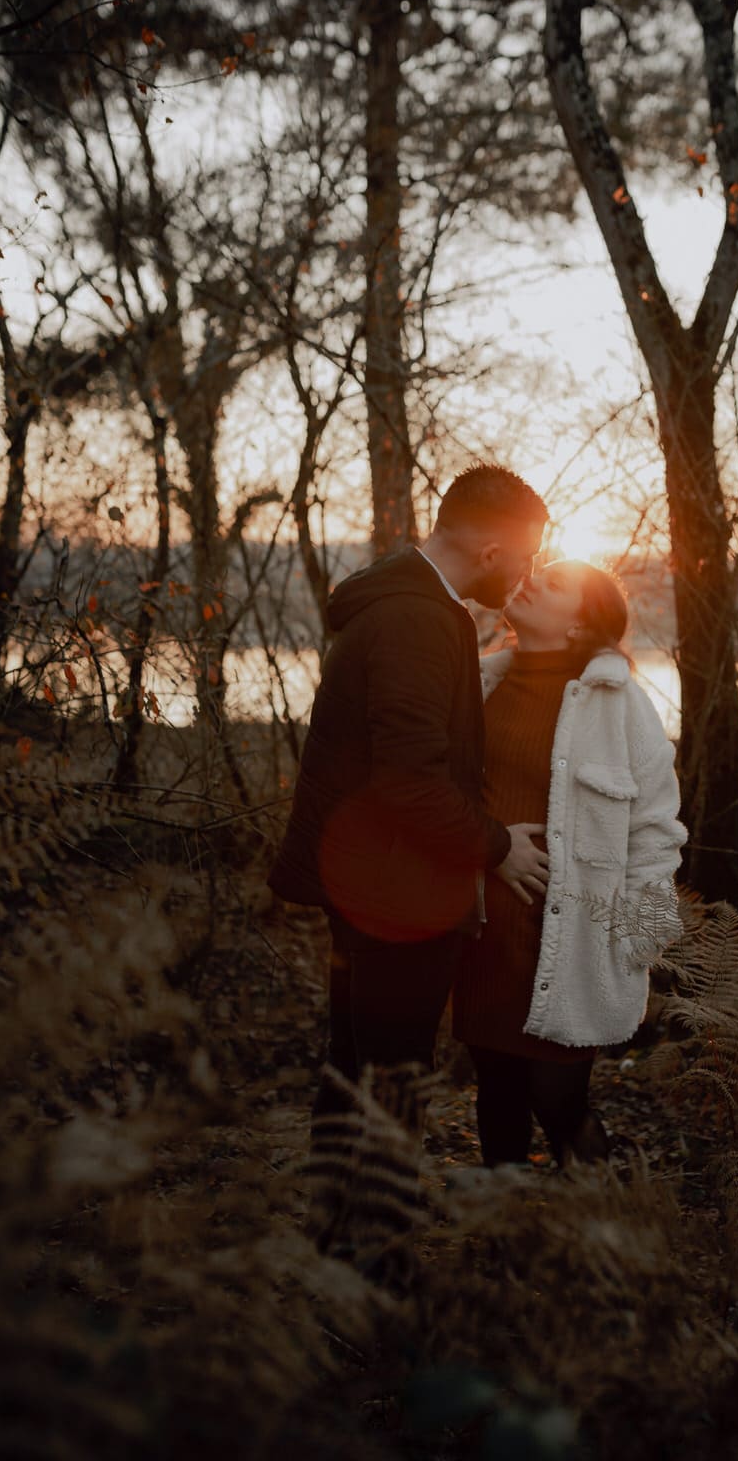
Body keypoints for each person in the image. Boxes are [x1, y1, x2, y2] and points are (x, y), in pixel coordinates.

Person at [267, 464, 551, 1099]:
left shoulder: (411, 606)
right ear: (491, 552)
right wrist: (497, 846)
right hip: (395, 892)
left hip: (375, 879)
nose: (527, 573)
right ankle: (381, 1171)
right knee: (389, 1084)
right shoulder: (415, 621)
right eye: (526, 556)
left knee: (356, 1073)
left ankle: (348, 1170)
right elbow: (411, 783)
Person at [452, 559, 687, 1167]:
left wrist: (639, 937)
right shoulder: (479, 684)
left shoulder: (621, 704)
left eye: (553, 583)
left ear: (580, 624)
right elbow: (449, 796)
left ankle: (604, 1215)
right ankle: (502, 1221)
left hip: (569, 939)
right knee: (498, 1092)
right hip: (486, 931)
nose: (529, 578)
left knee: (559, 1103)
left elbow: (656, 828)